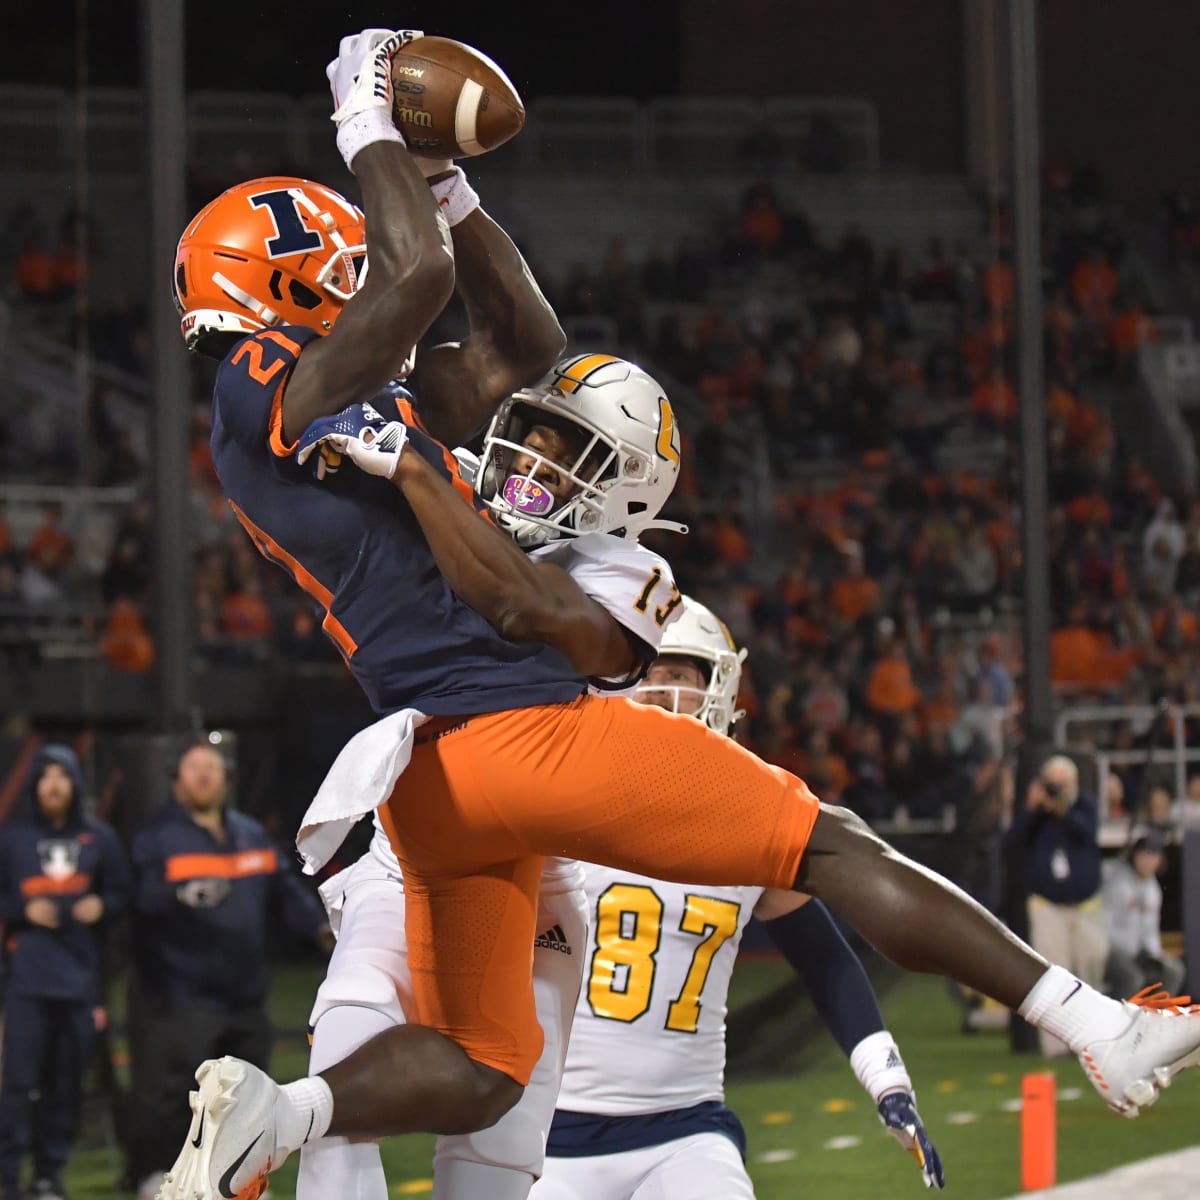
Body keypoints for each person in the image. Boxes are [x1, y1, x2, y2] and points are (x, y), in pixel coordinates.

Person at [157, 29, 1200, 1200]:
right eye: (327, 260)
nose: (353, 267)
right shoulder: (264, 394)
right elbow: (415, 284)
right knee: (829, 842)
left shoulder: (332, 404)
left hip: (437, 777)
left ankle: (282, 1113)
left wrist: (449, 188)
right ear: (276, 276)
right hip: (515, 732)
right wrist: (366, 126)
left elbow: (524, 344)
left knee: (487, 1064)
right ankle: (1097, 1022)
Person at [298, 356, 685, 1200]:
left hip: (539, 875)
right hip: (418, 834)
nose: (534, 459)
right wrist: (460, 216)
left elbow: (530, 608)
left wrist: (416, 471)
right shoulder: (463, 487)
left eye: (569, 447)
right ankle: (285, 1114)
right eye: (533, 433)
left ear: (628, 485)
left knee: (498, 1157)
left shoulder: (632, 574)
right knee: (340, 1081)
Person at [534, 597, 943, 1197]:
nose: (661, 690)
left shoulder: (744, 821)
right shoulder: (550, 806)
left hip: (685, 1129)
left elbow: (826, 961)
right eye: (646, 671)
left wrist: (887, 1080)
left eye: (680, 675)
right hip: (546, 1131)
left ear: (718, 691)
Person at [129, 741, 331, 1199]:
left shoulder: (249, 834)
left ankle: (241, 1182)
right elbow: (137, 903)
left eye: (211, 769)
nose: (203, 777)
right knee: (178, 1091)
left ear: (226, 778)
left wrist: (320, 929)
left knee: (248, 1093)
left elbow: (284, 890)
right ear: (177, 778)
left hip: (245, 993)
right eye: (194, 769)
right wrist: (179, 896)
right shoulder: (157, 836)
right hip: (184, 993)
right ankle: (161, 1174)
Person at [0, 745, 130, 1200]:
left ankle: (47, 1177)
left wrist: (102, 904)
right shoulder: (11, 839)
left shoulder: (99, 838)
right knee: (17, 1086)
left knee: (65, 1085)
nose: (54, 785)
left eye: (63, 776)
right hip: (28, 983)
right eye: (46, 776)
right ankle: (7, 1179)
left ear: (75, 783)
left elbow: (122, 893)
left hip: (79, 982)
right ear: (35, 785)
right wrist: (20, 908)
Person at [1003, 754, 1108, 1056]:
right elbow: (1012, 843)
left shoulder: (1085, 806)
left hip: (1085, 906)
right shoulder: (1037, 816)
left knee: (1091, 968)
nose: (1057, 791)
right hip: (1048, 906)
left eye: (1062, 785)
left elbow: (1087, 835)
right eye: (1053, 785)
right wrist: (1031, 809)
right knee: (1055, 977)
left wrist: (1062, 810)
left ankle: (1095, 1042)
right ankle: (1057, 1046)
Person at [1102, 832, 1186, 1001]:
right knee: (1132, 978)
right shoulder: (1116, 879)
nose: (1149, 861)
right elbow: (1104, 925)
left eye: (1154, 855)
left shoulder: (1152, 889)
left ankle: (1153, 1020)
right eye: (1145, 854)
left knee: (1173, 971)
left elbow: (1150, 930)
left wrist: (1156, 956)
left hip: (1137, 952)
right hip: (1110, 948)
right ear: (1135, 854)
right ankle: (1114, 1023)